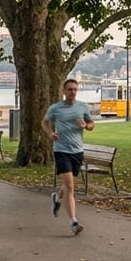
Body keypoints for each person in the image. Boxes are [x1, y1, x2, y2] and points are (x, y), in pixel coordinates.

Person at [43, 78, 95, 236]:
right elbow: (45, 122)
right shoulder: (56, 108)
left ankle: (56, 198)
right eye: (70, 89)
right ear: (64, 91)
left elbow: (92, 124)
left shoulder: (82, 107)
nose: (72, 92)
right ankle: (73, 222)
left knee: (67, 185)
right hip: (61, 150)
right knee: (70, 187)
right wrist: (50, 133)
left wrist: (86, 126)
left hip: (77, 151)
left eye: (75, 89)